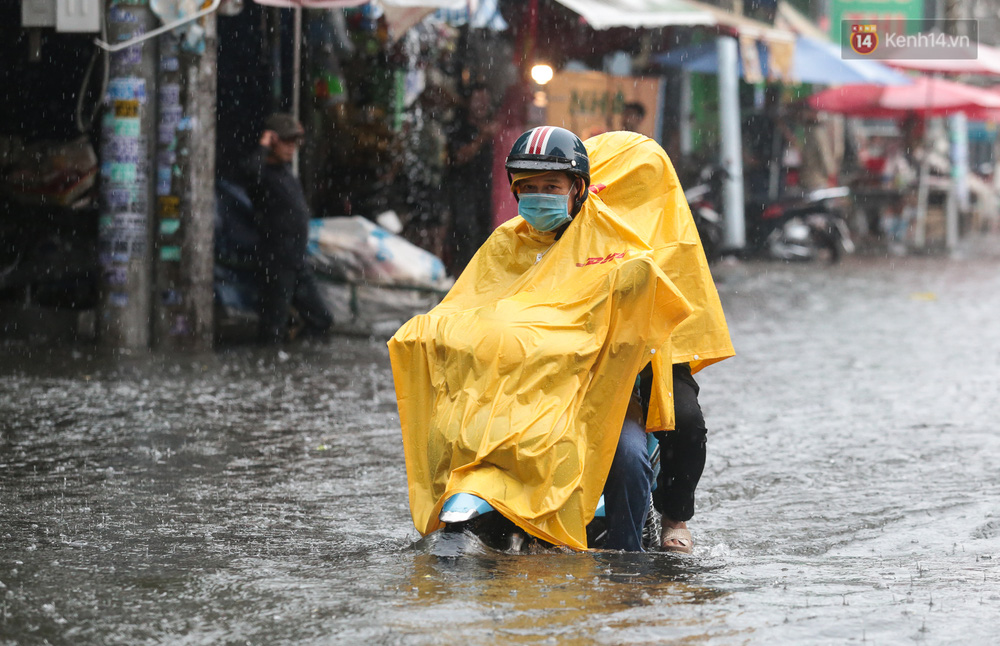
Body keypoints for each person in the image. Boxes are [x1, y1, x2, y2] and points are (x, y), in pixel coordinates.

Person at [389, 126, 696, 552]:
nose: (539, 196)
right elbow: (467, 303)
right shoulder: (504, 242)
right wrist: (428, 330)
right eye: (528, 187)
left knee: (625, 458)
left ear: (578, 188)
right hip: (521, 387)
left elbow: (640, 288)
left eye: (551, 186)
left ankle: (630, 563)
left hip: (594, 392)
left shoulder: (616, 243)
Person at [242, 113, 333, 345]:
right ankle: (269, 370)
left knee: (322, 319)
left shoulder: (285, 171)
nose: (292, 148)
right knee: (273, 328)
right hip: (276, 262)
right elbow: (249, 173)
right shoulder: (262, 174)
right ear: (272, 140)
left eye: (295, 143)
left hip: (296, 260)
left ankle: (295, 363)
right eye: (286, 141)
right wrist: (264, 145)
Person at [446, 85, 499, 275]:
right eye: (477, 100)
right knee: (464, 234)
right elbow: (458, 157)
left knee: (485, 234)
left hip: (484, 190)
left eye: (485, 101)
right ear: (467, 103)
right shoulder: (459, 127)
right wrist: (481, 138)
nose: (482, 105)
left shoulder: (492, 128)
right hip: (462, 189)